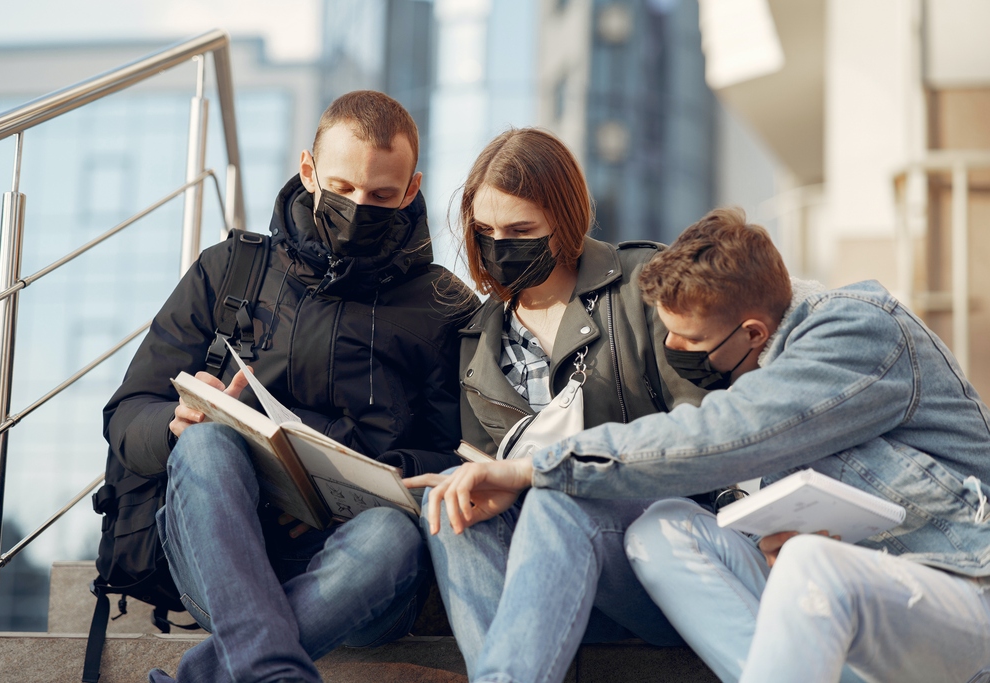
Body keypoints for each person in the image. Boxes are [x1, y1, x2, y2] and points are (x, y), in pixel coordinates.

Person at [424, 207, 990, 683]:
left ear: (752, 333)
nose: (670, 347)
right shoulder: (765, 369)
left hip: (962, 589)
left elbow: (718, 435)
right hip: (854, 612)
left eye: (688, 338)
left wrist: (528, 469)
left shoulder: (857, 332)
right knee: (661, 530)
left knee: (815, 565)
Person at [103, 90, 473, 683]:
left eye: (381, 195)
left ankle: (237, 670)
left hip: (360, 575)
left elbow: (460, 456)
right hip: (215, 554)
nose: (360, 205)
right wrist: (173, 422)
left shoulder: (443, 306)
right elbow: (126, 415)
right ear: (307, 170)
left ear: (411, 189)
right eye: (343, 187)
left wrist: (352, 482)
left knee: (390, 537)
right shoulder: (229, 269)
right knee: (204, 444)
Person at [405, 128, 711, 682]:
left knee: (559, 498)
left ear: (564, 221)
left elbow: (705, 432)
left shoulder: (642, 285)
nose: (500, 246)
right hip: (539, 587)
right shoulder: (478, 343)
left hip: (654, 564)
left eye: (520, 230)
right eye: (486, 231)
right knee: (451, 503)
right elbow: (482, 466)